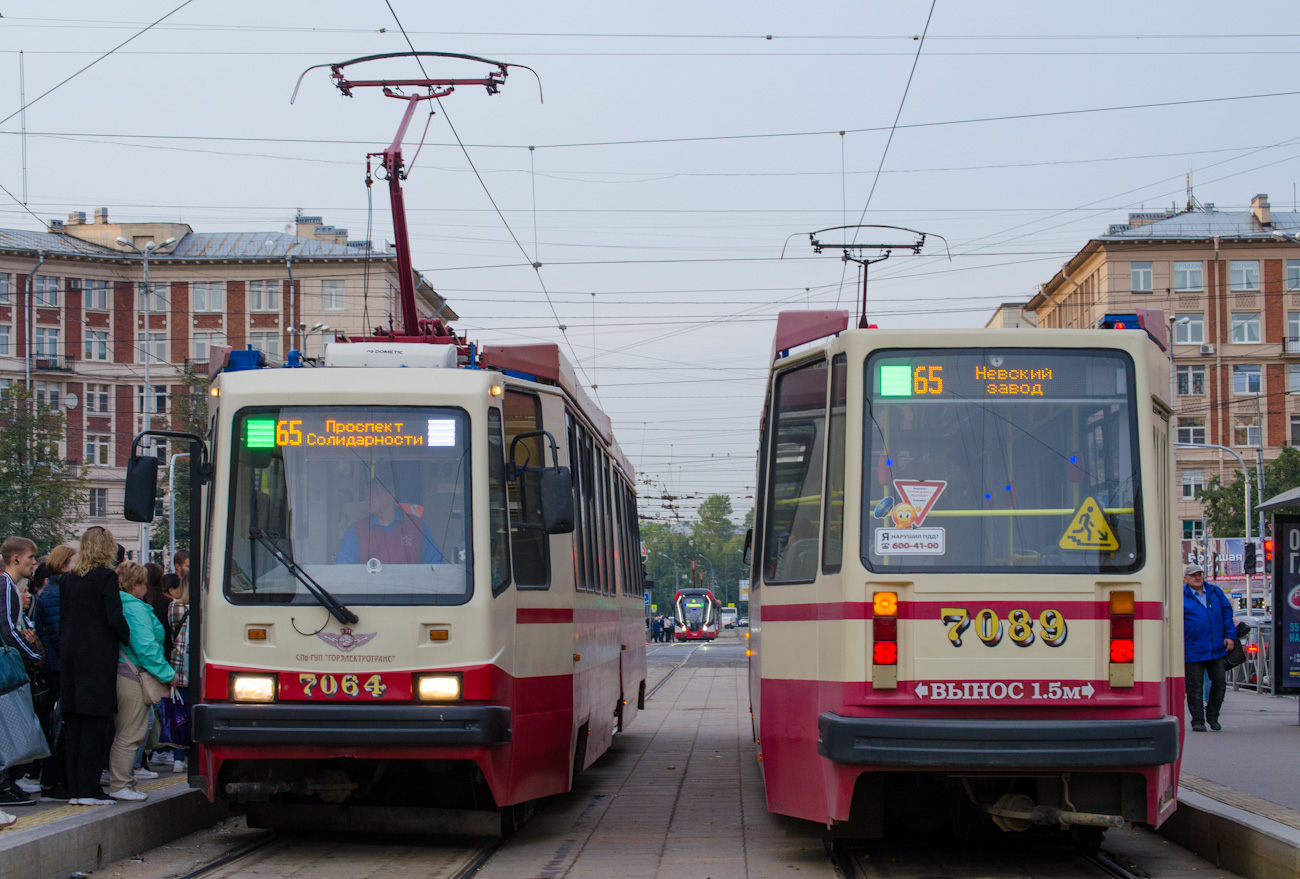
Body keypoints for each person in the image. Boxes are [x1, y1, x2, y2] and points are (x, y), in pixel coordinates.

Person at [60, 527, 131, 807]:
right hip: (97, 659)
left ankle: (75, 789)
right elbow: (114, 617)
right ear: (107, 548)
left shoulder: (68, 579)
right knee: (94, 725)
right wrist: (128, 638)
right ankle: (89, 789)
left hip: (71, 658)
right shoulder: (105, 577)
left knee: (74, 725)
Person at [109, 562, 175, 802]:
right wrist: (168, 674)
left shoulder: (122, 605)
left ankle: (122, 780)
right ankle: (120, 783)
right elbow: (146, 647)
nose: (146, 586)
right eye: (143, 582)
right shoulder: (135, 609)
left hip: (123, 671)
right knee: (131, 732)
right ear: (135, 585)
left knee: (129, 730)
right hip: (133, 674)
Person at [0, 537, 42, 809]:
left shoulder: (10, 586)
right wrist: (35, 655)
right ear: (15, 559)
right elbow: (8, 628)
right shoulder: (6, 584)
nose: (34, 564)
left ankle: (8, 782)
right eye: (30, 558)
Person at [32, 544, 75, 800]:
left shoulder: (51, 592)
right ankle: (50, 780)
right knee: (58, 725)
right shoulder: (56, 593)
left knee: (57, 723)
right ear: (63, 566)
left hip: (55, 666)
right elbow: (61, 636)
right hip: (58, 667)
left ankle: (51, 778)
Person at [336, 479, 442, 564]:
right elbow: (343, 569)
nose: (367, 498)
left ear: (391, 497)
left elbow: (436, 567)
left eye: (373, 493)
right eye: (366, 494)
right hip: (369, 590)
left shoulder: (417, 526)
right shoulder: (356, 531)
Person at [1183, 563, 1235, 732]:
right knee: (1194, 686)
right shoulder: (1181, 595)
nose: (1197, 577)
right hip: (1193, 648)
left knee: (1220, 682)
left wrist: (1229, 635)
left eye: (1200, 574)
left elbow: (1227, 613)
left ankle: (1213, 716)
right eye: (1193, 575)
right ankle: (1197, 720)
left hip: (1216, 648)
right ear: (1186, 578)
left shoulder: (1214, 591)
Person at [163, 575, 191, 772]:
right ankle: (193, 755)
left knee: (180, 715)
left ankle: (178, 759)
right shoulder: (203, 607)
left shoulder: (174, 607)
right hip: (196, 667)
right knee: (194, 714)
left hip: (178, 666)